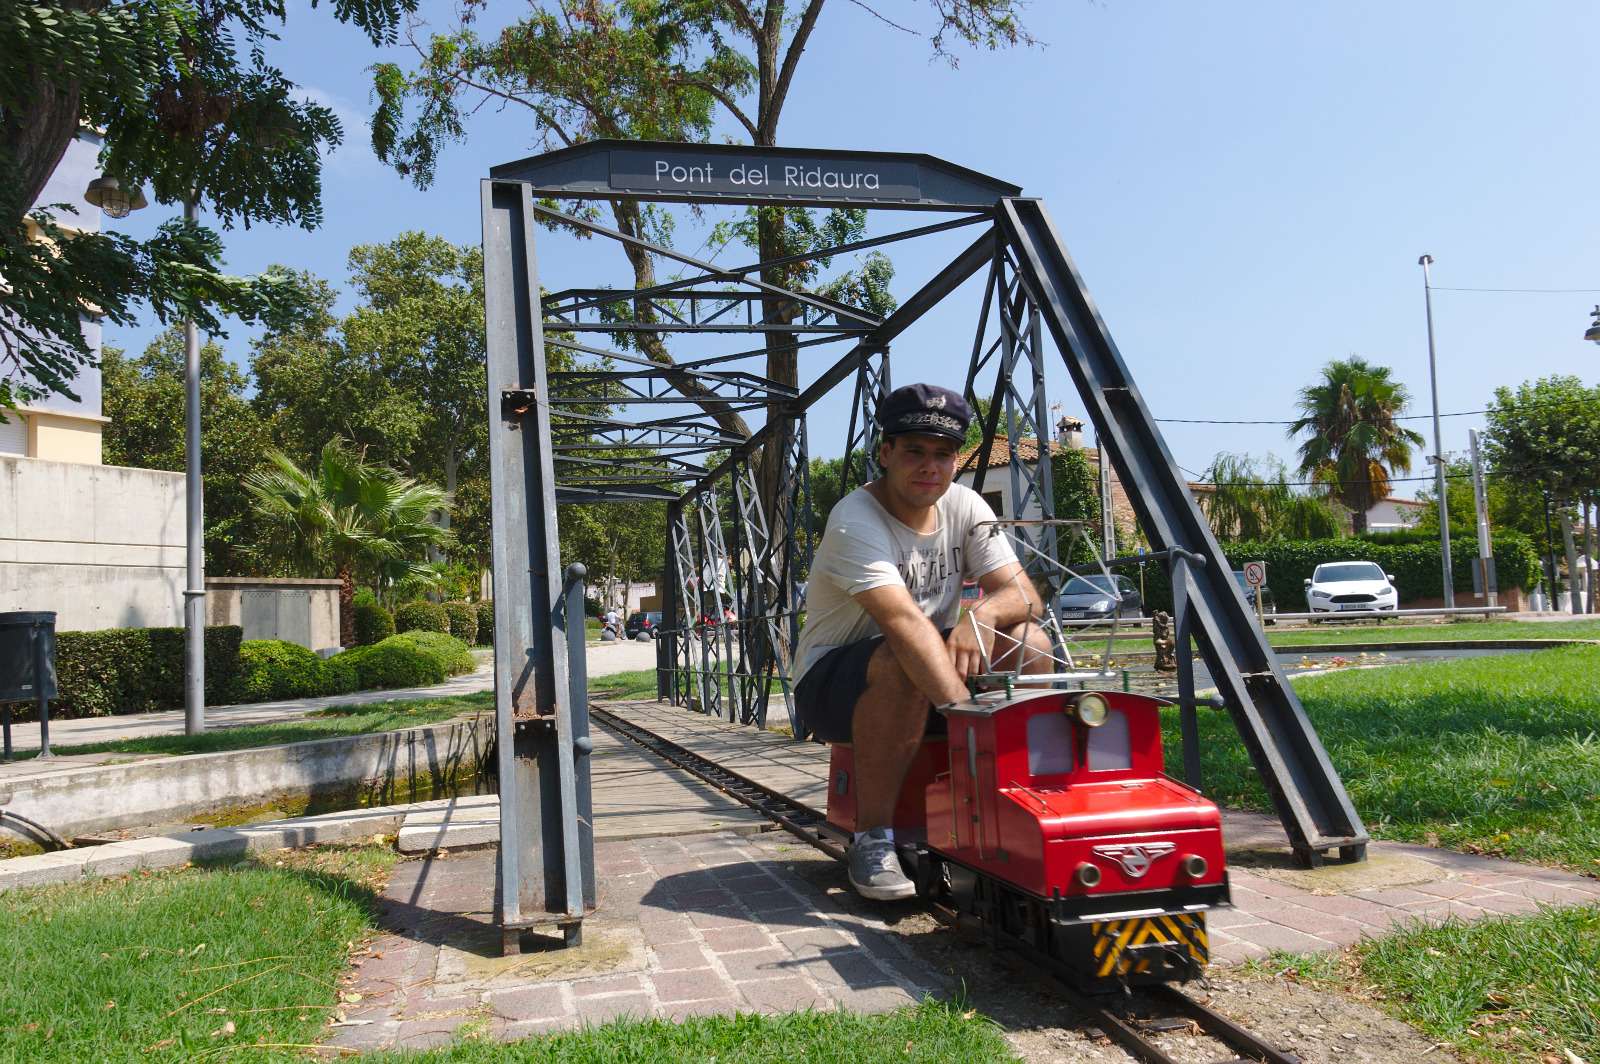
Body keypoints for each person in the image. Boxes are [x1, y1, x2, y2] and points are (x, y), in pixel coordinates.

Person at [793, 383, 1052, 901]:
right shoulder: (855, 520)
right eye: (914, 451)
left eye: (943, 454)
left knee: (1029, 640)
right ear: (885, 453)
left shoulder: (965, 504)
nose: (929, 466)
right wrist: (970, 730)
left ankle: (1035, 798)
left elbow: (1024, 595)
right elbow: (904, 625)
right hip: (831, 685)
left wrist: (978, 618)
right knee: (902, 657)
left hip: (929, 666)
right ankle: (873, 839)